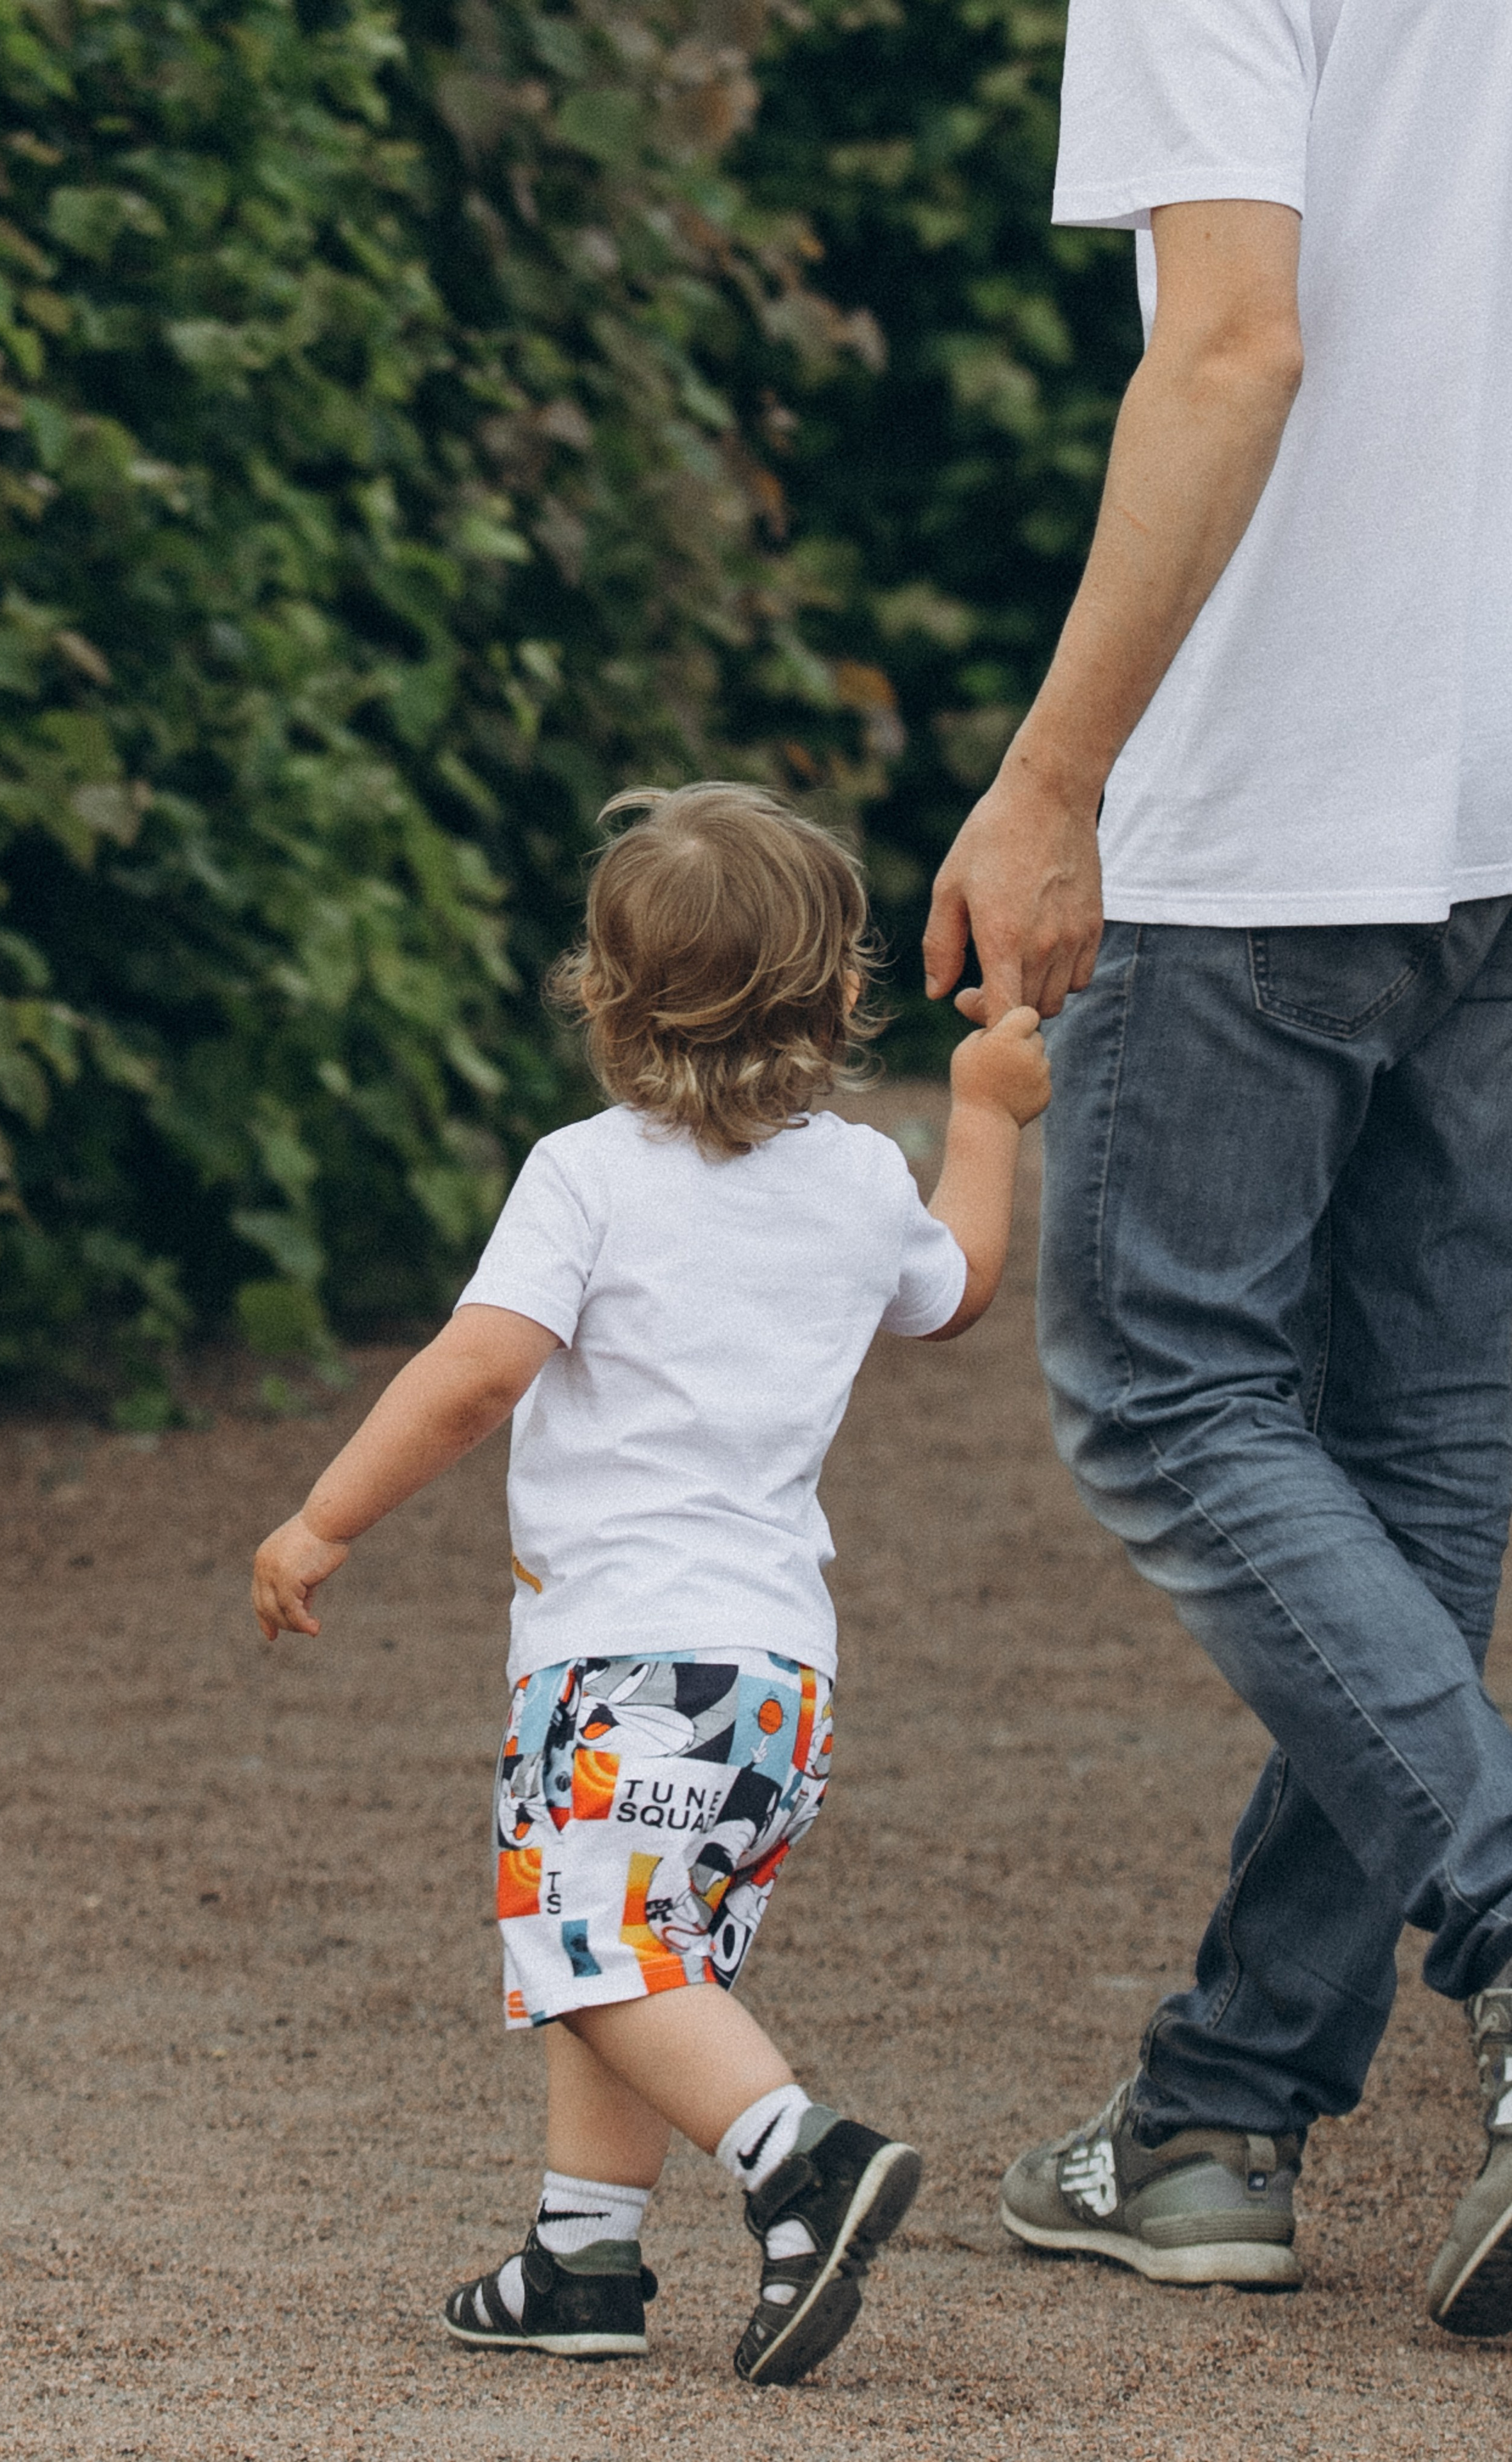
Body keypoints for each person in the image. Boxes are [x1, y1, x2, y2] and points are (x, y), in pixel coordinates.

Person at [921, 0, 1512, 2335]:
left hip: (1275, 802)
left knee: (1171, 1397)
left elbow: (1234, 348)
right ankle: (1219, 2115)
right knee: (1415, 1474)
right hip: (1495, 817)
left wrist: (1054, 779)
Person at [253, 783, 1050, 2382]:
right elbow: (954, 1289)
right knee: (633, 1958)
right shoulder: (848, 1183)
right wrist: (984, 1116)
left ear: (602, 1000)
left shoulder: (585, 1174)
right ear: (837, 995)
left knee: (585, 1944)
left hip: (619, 1667)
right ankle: (579, 2265)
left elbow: (479, 1373)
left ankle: (796, 2162)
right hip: (775, 1688)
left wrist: (323, 1518)